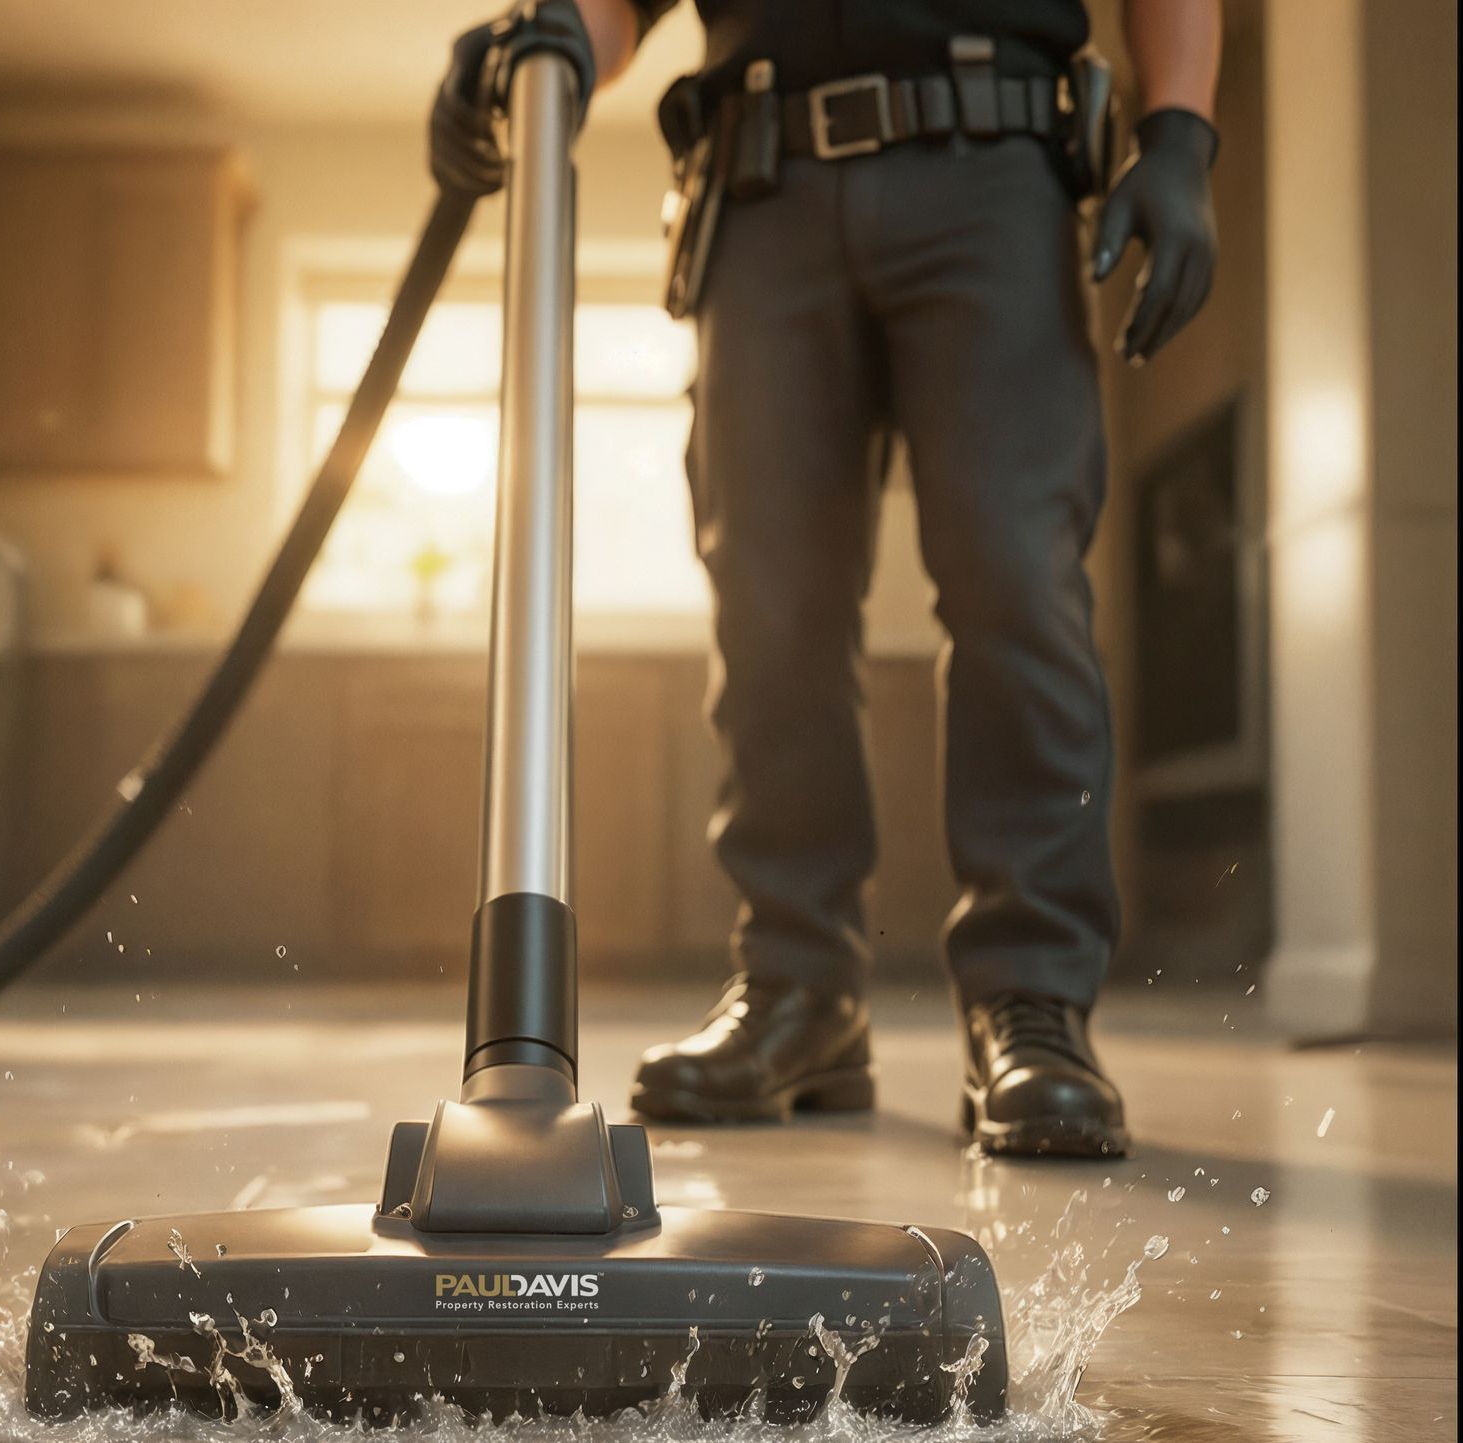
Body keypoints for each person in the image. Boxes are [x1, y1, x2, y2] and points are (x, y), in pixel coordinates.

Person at [431, 0, 1222, 1157]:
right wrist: (540, 47)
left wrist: (1180, 135)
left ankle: (1032, 1001)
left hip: (992, 166)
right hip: (760, 188)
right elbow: (615, 11)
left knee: (1016, 580)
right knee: (770, 608)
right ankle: (801, 992)